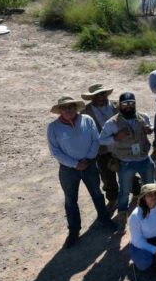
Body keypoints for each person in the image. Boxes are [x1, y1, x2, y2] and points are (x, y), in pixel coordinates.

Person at [48, 95, 116, 247]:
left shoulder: (87, 120)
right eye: (64, 108)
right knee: (71, 200)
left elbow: (95, 140)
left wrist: (88, 159)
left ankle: (104, 219)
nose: (68, 110)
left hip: (89, 165)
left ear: (75, 107)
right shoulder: (53, 127)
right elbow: (55, 151)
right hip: (68, 169)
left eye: (71, 106)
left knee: (97, 194)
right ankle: (74, 230)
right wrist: (75, 164)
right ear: (60, 111)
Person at [98, 91, 155, 220]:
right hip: (125, 162)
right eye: (125, 104)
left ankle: (152, 209)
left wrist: (150, 130)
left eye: (131, 103)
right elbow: (101, 140)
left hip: (144, 159)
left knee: (150, 187)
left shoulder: (143, 116)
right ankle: (122, 215)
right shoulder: (112, 123)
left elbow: (151, 127)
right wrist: (115, 137)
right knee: (124, 192)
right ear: (119, 105)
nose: (128, 106)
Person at [82, 83, 119, 206]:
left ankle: (136, 193)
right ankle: (113, 200)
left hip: (121, 147)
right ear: (92, 98)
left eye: (103, 93)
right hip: (102, 150)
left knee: (129, 173)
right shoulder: (85, 112)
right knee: (108, 178)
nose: (102, 97)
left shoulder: (117, 105)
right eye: (98, 95)